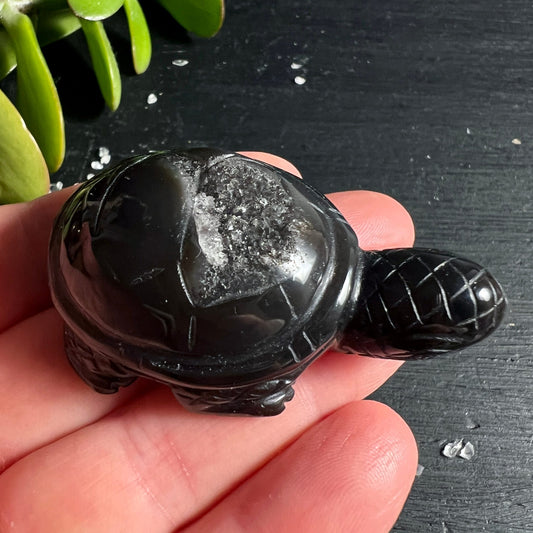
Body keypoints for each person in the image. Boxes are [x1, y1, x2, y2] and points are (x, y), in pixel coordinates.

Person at [0, 152, 418, 532]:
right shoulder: (285, 337)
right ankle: (94, 360)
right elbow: (196, 394)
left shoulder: (324, 229)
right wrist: (248, 394)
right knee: (99, 365)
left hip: (129, 199)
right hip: (106, 282)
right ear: (382, 342)